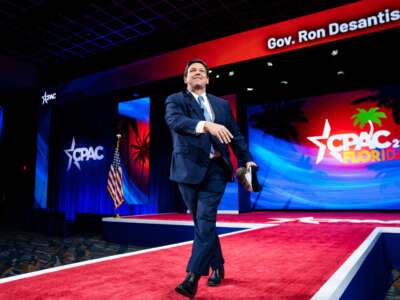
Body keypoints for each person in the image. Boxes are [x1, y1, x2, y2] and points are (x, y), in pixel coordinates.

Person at [165, 59, 256, 298]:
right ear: (185, 79)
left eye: (201, 71)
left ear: (207, 79)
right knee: (202, 224)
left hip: (216, 169)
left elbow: (235, 135)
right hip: (187, 169)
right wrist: (207, 125)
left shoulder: (222, 105)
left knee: (205, 218)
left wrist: (247, 159)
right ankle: (218, 265)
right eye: (191, 71)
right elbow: (176, 122)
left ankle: (192, 278)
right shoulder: (176, 100)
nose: (197, 73)